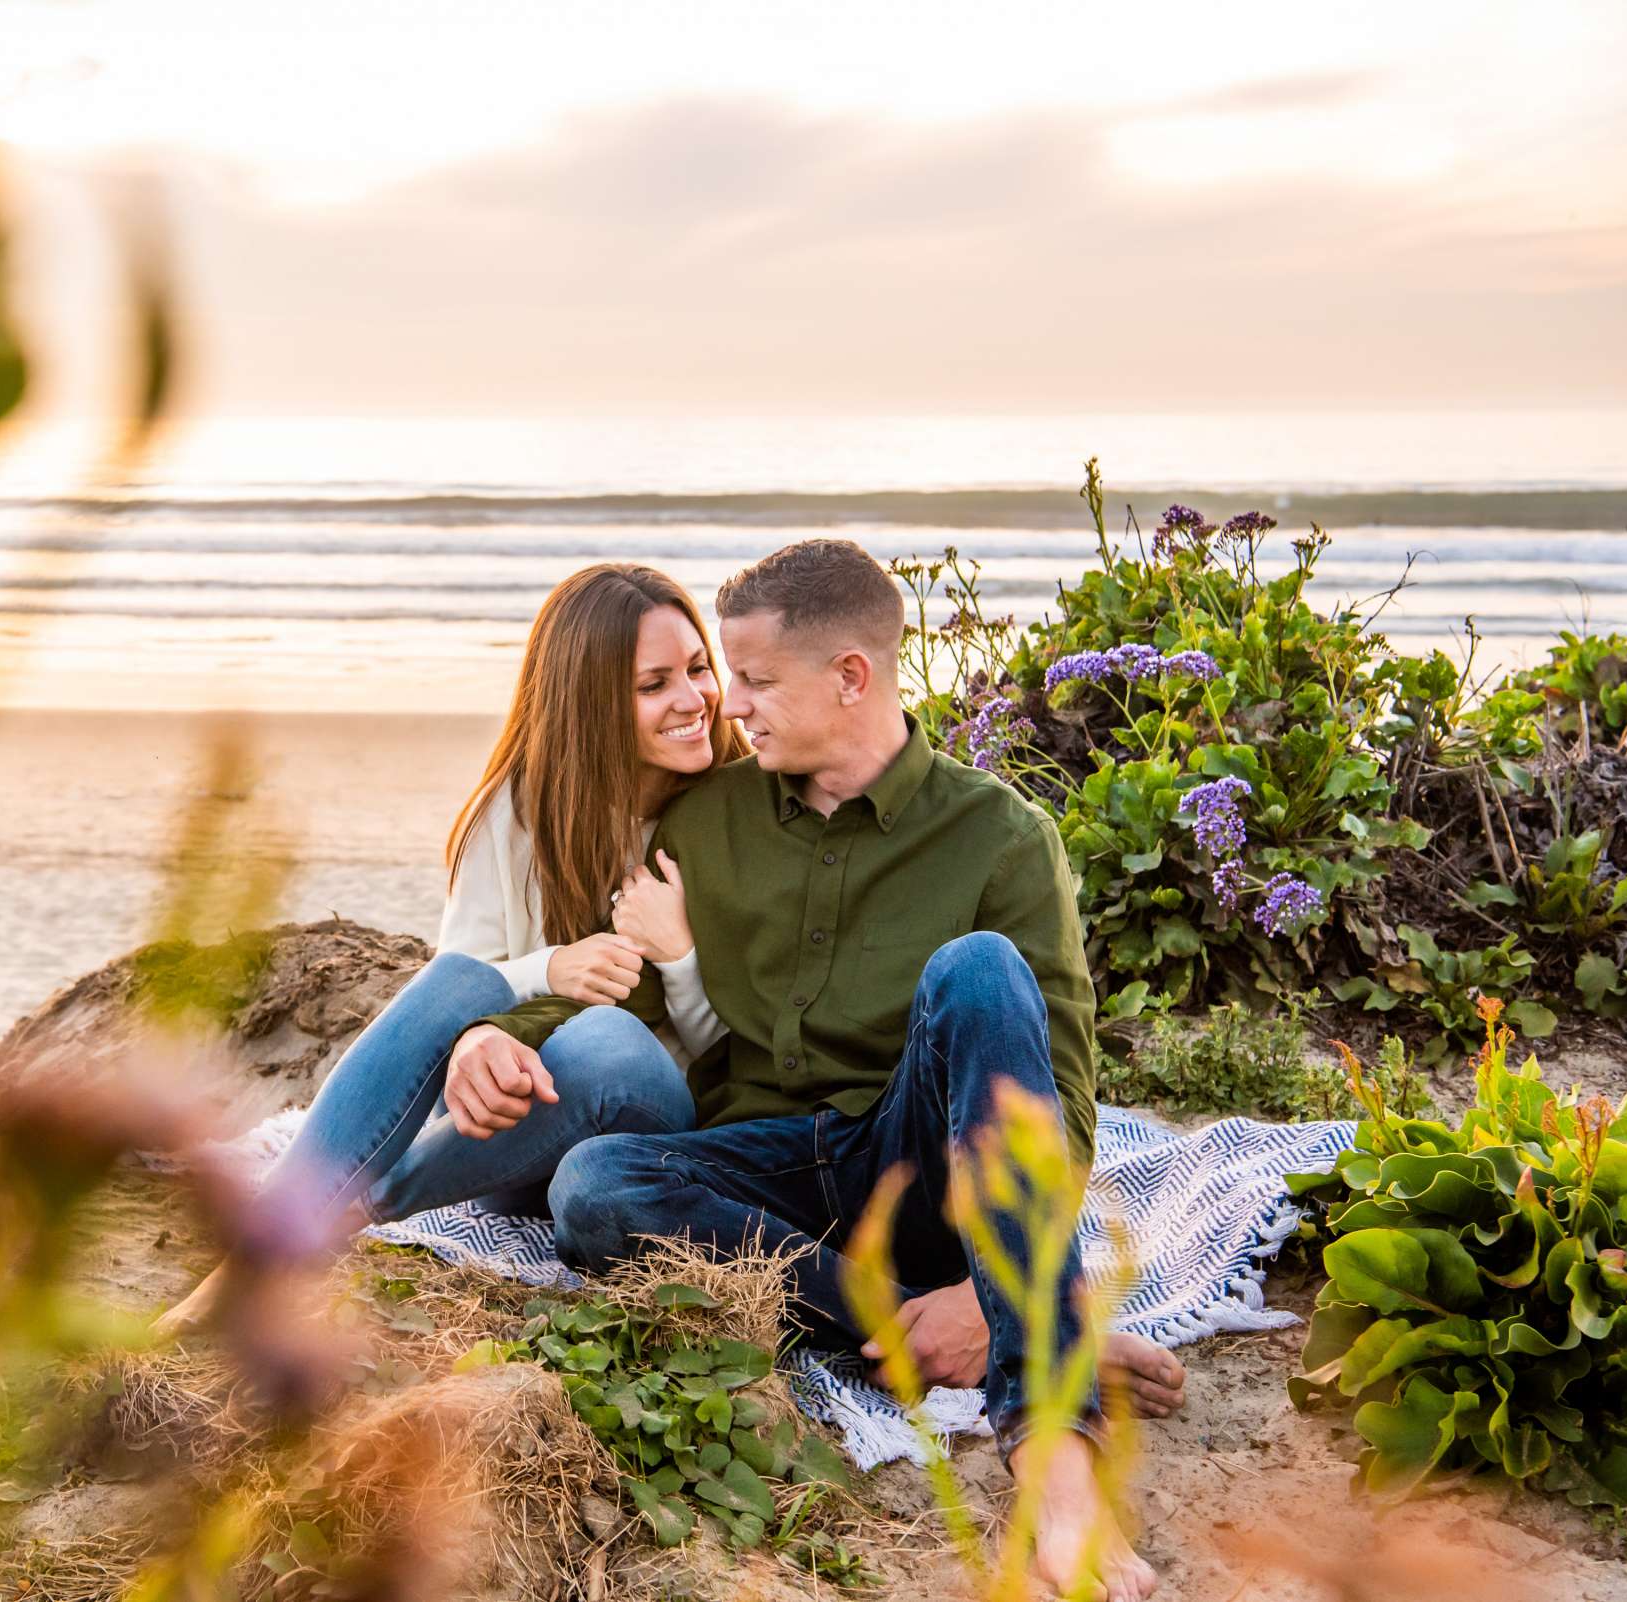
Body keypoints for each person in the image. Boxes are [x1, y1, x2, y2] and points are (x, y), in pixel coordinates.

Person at [480, 539, 1175, 1601]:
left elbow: (1060, 1106)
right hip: (764, 1180)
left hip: (926, 1167)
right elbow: (606, 984)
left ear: (850, 677)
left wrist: (988, 1288)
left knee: (980, 971)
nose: (730, 706)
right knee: (596, 1185)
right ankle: (948, 1322)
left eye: (753, 682)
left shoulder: (1001, 839)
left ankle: (1056, 1472)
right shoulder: (698, 821)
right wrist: (491, 1032)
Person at [154, 563, 746, 1336]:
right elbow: (459, 991)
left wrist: (679, 955)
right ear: (590, 701)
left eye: (699, 669)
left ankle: (350, 1209)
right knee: (460, 980)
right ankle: (258, 1253)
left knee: (609, 1039)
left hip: (645, 1141)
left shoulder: (742, 808)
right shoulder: (517, 811)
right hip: (504, 1149)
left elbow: (738, 1055)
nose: (692, 700)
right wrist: (522, 996)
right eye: (653, 684)